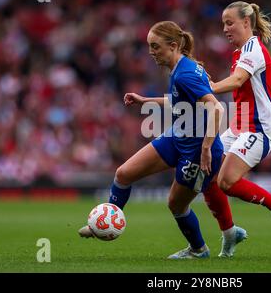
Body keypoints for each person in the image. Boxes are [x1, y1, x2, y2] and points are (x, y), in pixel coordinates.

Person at [78, 21, 247, 259]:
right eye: (149, 46)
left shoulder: (185, 73)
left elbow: (217, 108)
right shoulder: (181, 67)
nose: (151, 52)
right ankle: (105, 221)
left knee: (176, 205)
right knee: (123, 174)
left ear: (173, 46)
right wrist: (144, 100)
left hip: (196, 152)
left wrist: (207, 148)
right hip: (177, 137)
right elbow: (180, 102)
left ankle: (199, 250)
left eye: (155, 46)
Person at [207, 1, 271, 238]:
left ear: (246, 23)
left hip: (259, 129)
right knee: (206, 173)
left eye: (229, 23)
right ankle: (229, 233)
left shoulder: (253, 49)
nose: (225, 29)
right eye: (223, 24)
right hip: (240, 127)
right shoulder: (239, 52)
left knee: (226, 181)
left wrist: (209, 87)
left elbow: (236, 81)